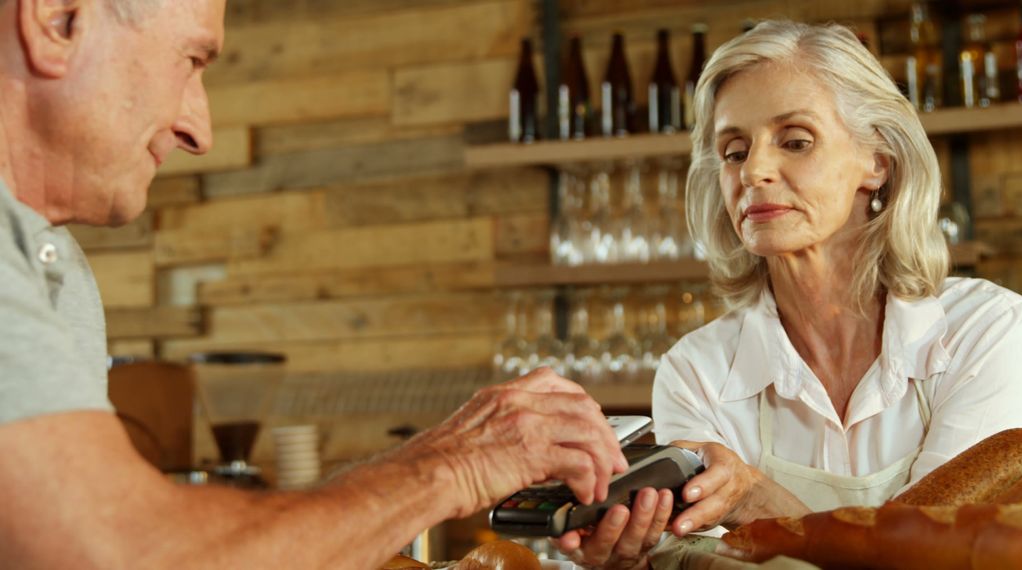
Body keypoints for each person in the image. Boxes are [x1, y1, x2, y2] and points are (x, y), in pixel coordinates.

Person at [0, 1, 629, 567]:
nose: (200, 130)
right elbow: (127, 552)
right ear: (57, 20)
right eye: (191, 60)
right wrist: (454, 464)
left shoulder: (59, 267)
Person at [556, 20, 1022, 568]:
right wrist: (637, 559)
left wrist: (756, 501)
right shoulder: (696, 372)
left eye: (795, 141)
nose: (755, 171)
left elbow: (943, 556)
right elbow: (704, 564)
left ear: (876, 162)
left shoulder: (985, 329)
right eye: (734, 151)